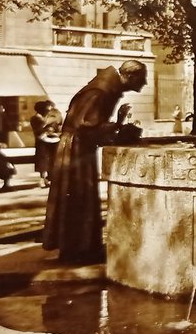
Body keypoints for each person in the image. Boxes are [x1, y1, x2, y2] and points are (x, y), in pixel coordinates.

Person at [43, 60, 148, 263]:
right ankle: (76, 251)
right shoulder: (101, 91)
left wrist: (115, 126)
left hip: (78, 148)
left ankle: (81, 248)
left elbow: (89, 124)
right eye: (142, 79)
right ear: (130, 76)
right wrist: (117, 125)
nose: (143, 84)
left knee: (79, 198)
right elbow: (86, 127)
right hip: (75, 149)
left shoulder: (105, 88)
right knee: (77, 196)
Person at [30, 100, 63, 188]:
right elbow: (41, 129)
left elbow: (57, 127)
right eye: (47, 109)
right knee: (43, 161)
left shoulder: (49, 117)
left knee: (52, 160)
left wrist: (55, 132)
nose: (49, 110)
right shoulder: (36, 118)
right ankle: (42, 179)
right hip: (42, 141)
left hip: (53, 140)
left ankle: (49, 179)